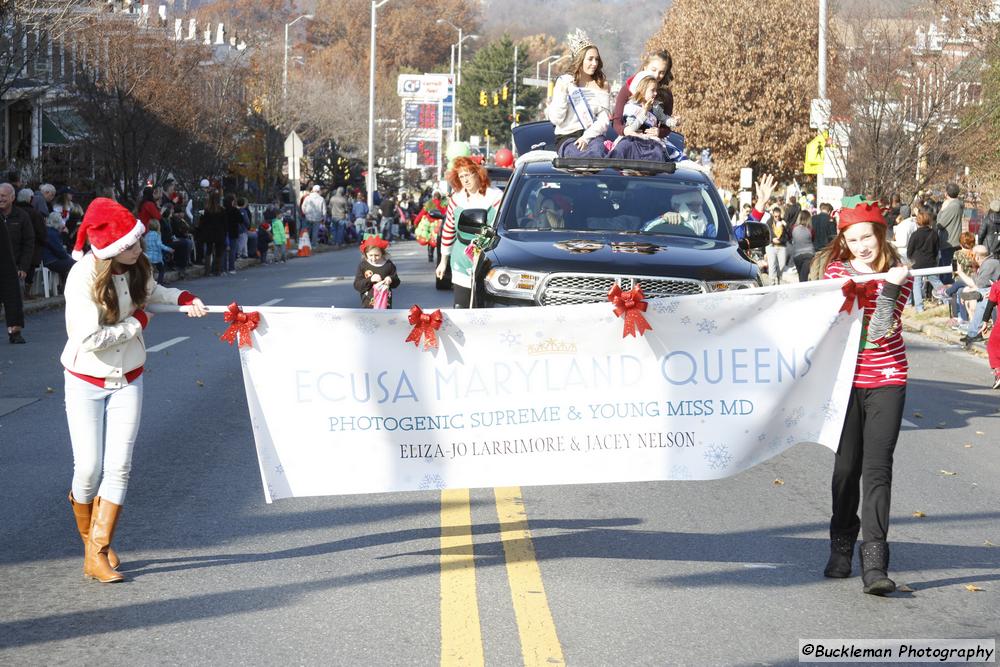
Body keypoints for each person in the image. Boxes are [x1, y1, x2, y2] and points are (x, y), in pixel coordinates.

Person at [63, 198, 207, 583]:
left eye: (138, 242)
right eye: (131, 245)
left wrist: (185, 300)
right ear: (112, 249)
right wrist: (137, 323)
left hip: (129, 376)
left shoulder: (135, 265)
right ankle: (92, 543)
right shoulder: (81, 278)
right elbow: (90, 338)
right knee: (89, 468)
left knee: (120, 465)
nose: (139, 249)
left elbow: (154, 292)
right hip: (85, 379)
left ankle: (97, 551)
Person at [818, 202, 912, 596]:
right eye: (852, 239)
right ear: (844, 241)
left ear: (880, 234)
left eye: (867, 237)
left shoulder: (901, 274)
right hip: (844, 382)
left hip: (887, 377)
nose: (861, 246)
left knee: (878, 470)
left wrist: (891, 285)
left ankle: (874, 562)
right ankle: (841, 545)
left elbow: (879, 332)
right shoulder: (836, 273)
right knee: (846, 469)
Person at [435, 157, 503, 308]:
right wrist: (443, 261)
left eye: (468, 175)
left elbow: (498, 229)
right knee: (462, 307)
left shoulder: (496, 197)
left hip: (488, 259)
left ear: (478, 173)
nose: (465, 180)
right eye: (461, 176)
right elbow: (449, 229)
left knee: (483, 309)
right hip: (461, 258)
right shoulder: (456, 199)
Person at [546, 29, 612, 158]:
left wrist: (586, 138)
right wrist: (564, 91)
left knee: (597, 153)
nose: (594, 63)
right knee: (575, 156)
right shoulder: (564, 82)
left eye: (597, 59)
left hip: (593, 136)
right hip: (567, 138)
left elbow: (604, 121)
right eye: (590, 59)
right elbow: (556, 119)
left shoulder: (602, 86)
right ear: (579, 60)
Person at [608, 71, 685, 163]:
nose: (656, 93)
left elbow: (664, 119)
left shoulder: (656, 107)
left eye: (656, 90)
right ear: (642, 90)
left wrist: (675, 122)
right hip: (632, 139)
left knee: (657, 152)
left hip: (650, 141)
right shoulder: (631, 107)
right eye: (652, 90)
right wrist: (644, 111)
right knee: (625, 147)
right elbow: (632, 128)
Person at [612, 50, 674, 139]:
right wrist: (626, 131)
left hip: (652, 141)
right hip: (628, 137)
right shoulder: (628, 87)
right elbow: (617, 120)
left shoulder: (666, 94)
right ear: (645, 67)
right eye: (653, 70)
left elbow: (666, 126)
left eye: (662, 72)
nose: (656, 75)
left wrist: (660, 132)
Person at [906, 207, 944, 312]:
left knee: (916, 284)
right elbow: (937, 250)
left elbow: (909, 252)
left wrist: (912, 258)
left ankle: (919, 307)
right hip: (930, 262)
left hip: (917, 263)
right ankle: (946, 299)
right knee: (936, 282)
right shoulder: (934, 234)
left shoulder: (915, 235)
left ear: (918, 221)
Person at [960, 245, 1000, 347]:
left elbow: (980, 284)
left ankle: (974, 333)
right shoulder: (988, 263)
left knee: (982, 295)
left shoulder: (989, 264)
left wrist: (973, 270)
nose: (970, 257)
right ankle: (974, 332)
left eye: (972, 255)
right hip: (992, 290)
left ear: (977, 257)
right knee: (981, 294)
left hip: (993, 291)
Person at [16, 188, 46, 300]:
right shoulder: (35, 214)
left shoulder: (13, 211)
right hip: (32, 247)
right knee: (30, 268)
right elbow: (41, 232)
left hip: (15, 247)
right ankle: (26, 293)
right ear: (30, 199)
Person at [354, 236, 400, 308]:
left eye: (377, 255)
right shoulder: (363, 265)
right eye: (370, 255)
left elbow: (397, 282)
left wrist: (391, 279)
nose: (373, 258)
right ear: (366, 254)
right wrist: (370, 280)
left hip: (385, 304)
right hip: (368, 305)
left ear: (382, 253)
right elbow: (357, 285)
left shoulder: (388, 265)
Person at [0, 210, 25, 343]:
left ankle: (14, 329)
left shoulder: (20, 215)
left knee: (11, 293)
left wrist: (23, 266)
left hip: (6, 259)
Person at [936, 182, 963, 284]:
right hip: (956, 241)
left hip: (949, 243)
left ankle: (948, 292)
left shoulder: (952, 206)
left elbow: (940, 224)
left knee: (947, 270)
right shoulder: (959, 204)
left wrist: (942, 210)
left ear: (946, 194)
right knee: (954, 268)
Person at [42, 212, 75, 285]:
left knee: (70, 261)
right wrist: (69, 257)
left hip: (49, 260)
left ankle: (64, 285)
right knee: (76, 263)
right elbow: (60, 251)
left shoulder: (48, 231)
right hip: (51, 261)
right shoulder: (52, 233)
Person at [199, 190, 227, 276]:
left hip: (209, 233)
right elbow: (225, 223)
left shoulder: (206, 210)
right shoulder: (221, 210)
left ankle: (207, 270)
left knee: (209, 250)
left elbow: (202, 223)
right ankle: (217, 270)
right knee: (218, 251)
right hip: (219, 232)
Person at [143, 219, 174, 284]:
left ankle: (151, 283)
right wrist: (169, 249)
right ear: (158, 226)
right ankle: (160, 283)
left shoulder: (147, 235)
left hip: (148, 256)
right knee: (161, 270)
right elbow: (159, 244)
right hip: (156, 257)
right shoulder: (157, 235)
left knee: (151, 271)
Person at [765, 205, 789, 285]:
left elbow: (787, 236)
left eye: (778, 216)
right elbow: (767, 233)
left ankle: (779, 281)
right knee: (772, 266)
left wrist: (786, 226)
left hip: (781, 246)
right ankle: (771, 284)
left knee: (781, 266)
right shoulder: (769, 222)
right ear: (773, 215)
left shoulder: (783, 222)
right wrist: (772, 239)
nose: (777, 217)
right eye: (775, 216)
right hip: (771, 247)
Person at [790, 210, 815, 282]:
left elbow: (791, 237)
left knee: (800, 275)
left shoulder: (793, 228)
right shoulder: (810, 229)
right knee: (804, 275)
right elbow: (813, 239)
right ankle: (804, 291)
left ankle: (802, 290)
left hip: (797, 254)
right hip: (809, 254)